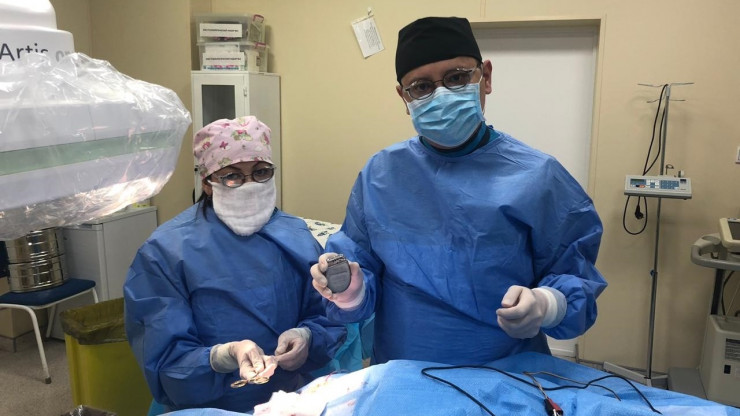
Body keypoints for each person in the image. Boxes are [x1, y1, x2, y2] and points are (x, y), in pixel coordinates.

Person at [310, 17, 607, 366]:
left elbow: (574, 277)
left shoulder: (538, 177)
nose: (441, 95)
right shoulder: (381, 175)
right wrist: (351, 290)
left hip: (506, 371)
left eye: (456, 78)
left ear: (486, 77)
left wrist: (547, 303)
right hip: (405, 372)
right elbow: (360, 264)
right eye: (421, 86)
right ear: (404, 97)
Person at [124, 116, 347, 413]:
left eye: (261, 172)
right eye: (232, 176)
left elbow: (327, 315)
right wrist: (222, 357)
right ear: (207, 183)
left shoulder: (295, 236)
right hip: (208, 406)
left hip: (289, 399)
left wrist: (306, 337)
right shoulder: (166, 251)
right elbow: (165, 358)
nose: (250, 185)